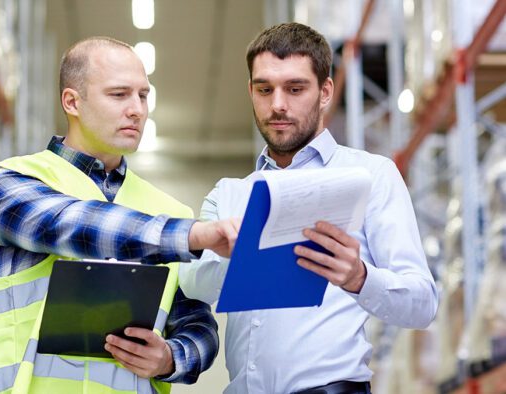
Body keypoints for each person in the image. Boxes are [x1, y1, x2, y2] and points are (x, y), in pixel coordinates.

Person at [0, 36, 240, 394]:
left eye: (143, 95)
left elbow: (199, 325)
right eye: (119, 95)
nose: (137, 109)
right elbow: (77, 226)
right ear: (72, 101)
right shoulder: (9, 185)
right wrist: (193, 236)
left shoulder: (171, 212)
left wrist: (171, 357)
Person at [179, 22, 438, 394]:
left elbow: (423, 303)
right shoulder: (229, 194)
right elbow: (193, 284)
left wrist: (359, 277)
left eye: (295, 88)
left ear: (325, 91)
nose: (278, 104)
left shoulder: (371, 175)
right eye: (264, 89)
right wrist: (232, 251)